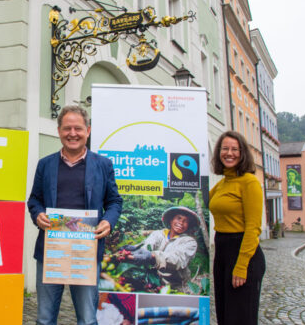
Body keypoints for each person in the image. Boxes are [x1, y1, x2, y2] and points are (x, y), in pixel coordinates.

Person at [28, 105, 123, 325]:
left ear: (87, 131)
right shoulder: (45, 164)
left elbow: (114, 201)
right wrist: (38, 214)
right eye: (67, 128)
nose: (73, 133)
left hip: (86, 252)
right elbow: (34, 199)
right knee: (44, 319)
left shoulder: (103, 165)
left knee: (88, 319)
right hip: (51, 252)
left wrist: (108, 221)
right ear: (59, 131)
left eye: (78, 128)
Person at [209, 131, 265, 325]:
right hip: (222, 252)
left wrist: (241, 267)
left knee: (240, 318)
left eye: (234, 149)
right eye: (225, 149)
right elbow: (201, 200)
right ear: (218, 153)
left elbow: (253, 228)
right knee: (225, 316)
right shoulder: (223, 183)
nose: (229, 153)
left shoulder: (249, 183)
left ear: (242, 154)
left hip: (243, 253)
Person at [125, 206, 199, 289]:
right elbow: (147, 245)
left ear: (188, 226)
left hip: (175, 285)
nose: (181, 223)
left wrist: (153, 256)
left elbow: (178, 259)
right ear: (171, 220)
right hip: (152, 280)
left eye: (186, 221)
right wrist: (134, 250)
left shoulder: (189, 242)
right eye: (179, 218)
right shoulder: (158, 234)